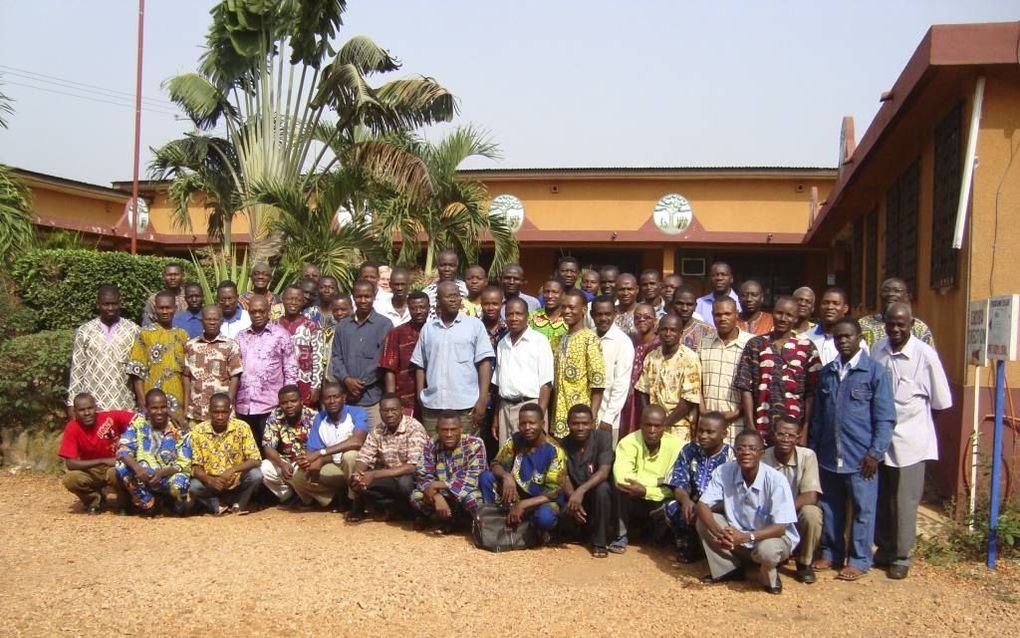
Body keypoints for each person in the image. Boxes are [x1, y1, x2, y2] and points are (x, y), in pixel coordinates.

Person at [810, 317, 896, 581]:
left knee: (863, 508)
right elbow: (818, 417)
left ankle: (859, 559)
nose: (843, 341)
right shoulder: (827, 373)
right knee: (830, 506)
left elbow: (885, 418)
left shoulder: (874, 372)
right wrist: (814, 448)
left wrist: (875, 452)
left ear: (860, 338)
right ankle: (831, 552)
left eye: (848, 336)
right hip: (827, 454)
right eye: (838, 337)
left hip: (861, 457)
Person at [872, 302, 952, 579]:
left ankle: (903, 556)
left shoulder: (925, 354)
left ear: (910, 324)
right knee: (883, 498)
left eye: (901, 324)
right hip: (882, 440)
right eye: (891, 323)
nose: (895, 329)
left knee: (905, 502)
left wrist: (921, 431)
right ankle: (884, 549)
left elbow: (941, 403)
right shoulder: (878, 349)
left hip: (912, 442)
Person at [695, 430, 799, 594]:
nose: (746, 453)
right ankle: (729, 570)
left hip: (770, 537)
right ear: (735, 452)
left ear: (761, 453)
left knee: (767, 551)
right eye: (741, 448)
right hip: (737, 536)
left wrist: (745, 537)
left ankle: (769, 576)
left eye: (752, 448)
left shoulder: (776, 480)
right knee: (704, 520)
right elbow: (702, 505)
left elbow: (780, 528)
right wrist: (720, 533)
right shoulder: (724, 471)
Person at [412, 281, 495, 437]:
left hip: (465, 407)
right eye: (449, 296)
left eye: (456, 296)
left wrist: (482, 399)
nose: (454, 300)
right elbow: (420, 365)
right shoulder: (428, 329)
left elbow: (484, 363)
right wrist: (420, 396)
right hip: (433, 407)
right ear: (438, 300)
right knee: (434, 453)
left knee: (466, 454)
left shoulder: (475, 325)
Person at [734, 296, 821, 439]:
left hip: (793, 432)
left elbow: (811, 393)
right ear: (772, 313)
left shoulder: (807, 348)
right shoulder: (755, 344)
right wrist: (750, 425)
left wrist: (805, 429)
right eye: (779, 313)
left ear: (796, 318)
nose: (783, 318)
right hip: (761, 427)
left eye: (789, 315)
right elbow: (745, 388)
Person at [480, 403, 566, 536]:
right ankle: (493, 520)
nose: (527, 428)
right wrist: (506, 476)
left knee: (545, 518)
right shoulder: (515, 440)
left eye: (532, 423)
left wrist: (523, 505)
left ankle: (538, 531)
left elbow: (553, 492)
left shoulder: (554, 451)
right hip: (517, 493)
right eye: (523, 423)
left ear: (542, 424)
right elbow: (496, 464)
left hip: (541, 499)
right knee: (486, 477)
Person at [610, 405, 682, 553]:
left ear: (664, 426)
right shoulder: (628, 442)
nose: (652, 430)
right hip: (632, 497)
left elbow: (674, 483)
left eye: (657, 426)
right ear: (641, 424)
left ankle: (658, 537)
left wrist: (646, 491)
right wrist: (658, 481)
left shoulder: (676, 446)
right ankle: (620, 536)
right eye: (648, 425)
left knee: (677, 501)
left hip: (659, 499)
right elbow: (623, 479)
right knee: (619, 490)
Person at [663, 412, 735, 562]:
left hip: (719, 508)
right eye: (700, 431)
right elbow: (678, 482)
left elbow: (733, 497)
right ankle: (688, 546)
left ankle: (720, 554)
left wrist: (705, 509)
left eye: (710, 432)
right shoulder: (689, 449)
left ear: (724, 433)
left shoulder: (731, 457)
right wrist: (686, 501)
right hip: (693, 504)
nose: (703, 435)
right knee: (672, 507)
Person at [348, 393, 429, 521]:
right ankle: (393, 508)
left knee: (404, 483)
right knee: (359, 480)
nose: (389, 414)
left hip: (412, 477)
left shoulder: (414, 428)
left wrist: (374, 474)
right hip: (388, 477)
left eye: (393, 410)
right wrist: (358, 475)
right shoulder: (378, 430)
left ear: (402, 410)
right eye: (385, 411)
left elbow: (413, 466)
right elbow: (364, 457)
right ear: (380, 412)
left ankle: (411, 512)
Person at [762, 416, 824, 584]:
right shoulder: (762, 458)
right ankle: (771, 558)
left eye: (791, 435)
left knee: (812, 513)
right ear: (773, 436)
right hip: (769, 513)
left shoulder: (808, 456)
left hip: (794, 511)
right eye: (781, 434)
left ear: (798, 438)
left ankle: (804, 563)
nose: (785, 439)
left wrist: (784, 511)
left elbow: (811, 495)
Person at [290, 381, 370, 510]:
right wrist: (315, 460)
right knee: (299, 476)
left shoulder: (357, 412)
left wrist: (321, 454)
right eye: (327, 398)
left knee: (350, 456)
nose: (332, 401)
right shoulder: (320, 418)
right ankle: (334, 500)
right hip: (334, 466)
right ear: (322, 401)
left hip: (359, 469)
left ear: (344, 397)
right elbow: (313, 451)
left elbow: (357, 441)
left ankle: (356, 502)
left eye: (336, 397)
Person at [115, 389, 192, 515]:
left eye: (163, 407)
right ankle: (148, 502)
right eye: (154, 408)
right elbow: (123, 449)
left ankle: (172, 502)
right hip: (144, 475)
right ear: (146, 408)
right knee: (121, 466)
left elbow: (185, 462)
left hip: (168, 475)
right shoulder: (139, 424)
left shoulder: (178, 427)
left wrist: (162, 473)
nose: (159, 412)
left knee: (180, 483)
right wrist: (137, 468)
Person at [235, 296, 298, 447]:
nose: (257, 315)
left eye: (261, 311)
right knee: (248, 451)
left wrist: (287, 400)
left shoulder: (281, 335)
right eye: (253, 312)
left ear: (269, 311)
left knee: (270, 450)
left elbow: (290, 368)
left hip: (270, 405)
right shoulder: (240, 336)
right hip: (244, 405)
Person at [331, 279, 394, 429]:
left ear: (374, 296)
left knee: (375, 443)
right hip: (347, 399)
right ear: (353, 297)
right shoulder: (343, 326)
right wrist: (347, 380)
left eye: (367, 296)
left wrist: (358, 385)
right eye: (359, 296)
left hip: (372, 398)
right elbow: (336, 357)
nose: (363, 300)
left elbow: (382, 360)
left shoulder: (384, 325)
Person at [67, 285, 140, 415]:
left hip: (124, 404)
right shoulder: (85, 331)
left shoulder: (133, 330)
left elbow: (139, 371)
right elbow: (77, 370)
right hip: (92, 408)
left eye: (114, 304)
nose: (110, 308)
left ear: (120, 304)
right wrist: (72, 404)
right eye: (106, 304)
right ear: (98, 305)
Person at [410, 411, 487, 530]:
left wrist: (437, 485)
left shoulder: (475, 444)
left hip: (466, 491)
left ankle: (461, 523)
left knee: (473, 500)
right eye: (444, 430)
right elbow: (422, 474)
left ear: (461, 429)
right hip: (441, 493)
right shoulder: (432, 444)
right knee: (416, 496)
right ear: (437, 430)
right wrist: (436, 496)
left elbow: (472, 478)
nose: (449, 434)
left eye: (453, 429)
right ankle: (448, 521)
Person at [189, 393, 263, 515]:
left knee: (256, 475)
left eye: (223, 412)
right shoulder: (198, 431)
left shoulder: (242, 427)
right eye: (216, 412)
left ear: (230, 411)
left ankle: (238, 506)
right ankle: (216, 506)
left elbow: (255, 459)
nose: (219, 416)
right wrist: (209, 480)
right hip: (212, 483)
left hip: (236, 481)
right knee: (193, 486)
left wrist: (232, 470)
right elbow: (195, 466)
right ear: (209, 412)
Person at [493, 297, 554, 443]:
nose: (514, 318)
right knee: (506, 458)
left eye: (518, 314)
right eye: (509, 314)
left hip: (529, 408)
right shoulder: (502, 343)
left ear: (527, 316)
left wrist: (539, 416)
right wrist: (496, 417)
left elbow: (546, 383)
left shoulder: (539, 341)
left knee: (529, 457)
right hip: (505, 408)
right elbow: (499, 383)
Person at [59, 393, 132, 513]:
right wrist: (101, 460)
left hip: (113, 466)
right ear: (75, 412)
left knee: (117, 473)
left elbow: (139, 419)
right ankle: (94, 501)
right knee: (71, 479)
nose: (87, 413)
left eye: (90, 408)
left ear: (96, 408)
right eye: (82, 410)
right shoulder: (72, 428)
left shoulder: (111, 417)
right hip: (91, 470)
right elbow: (70, 463)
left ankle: (125, 502)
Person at [559, 404, 615, 557]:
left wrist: (581, 491)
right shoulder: (562, 445)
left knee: (602, 488)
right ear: (568, 424)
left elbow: (603, 472)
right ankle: (578, 534)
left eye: (585, 423)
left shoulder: (603, 438)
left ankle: (600, 543)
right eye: (575, 423)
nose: (580, 427)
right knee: (556, 513)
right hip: (575, 498)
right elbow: (563, 475)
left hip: (596, 496)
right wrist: (573, 497)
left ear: (592, 423)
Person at [635, 315, 701, 444]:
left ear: (680, 333)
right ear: (658, 331)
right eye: (664, 329)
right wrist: (650, 419)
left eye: (673, 330)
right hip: (653, 427)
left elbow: (689, 400)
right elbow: (643, 390)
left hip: (680, 427)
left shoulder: (690, 359)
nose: (668, 333)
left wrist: (663, 424)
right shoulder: (652, 356)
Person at [550, 290, 606, 438]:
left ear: (584, 310)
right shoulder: (559, 339)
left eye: (572, 307)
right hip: (559, 417)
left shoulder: (590, 339)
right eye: (564, 307)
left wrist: (591, 418)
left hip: (580, 419)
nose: (566, 311)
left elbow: (598, 384)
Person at [699, 298, 753, 444]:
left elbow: (754, 387)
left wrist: (736, 412)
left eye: (727, 314)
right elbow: (696, 383)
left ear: (737, 315)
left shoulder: (752, 344)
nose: (722, 318)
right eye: (718, 314)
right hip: (708, 426)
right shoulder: (703, 343)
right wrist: (704, 412)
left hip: (738, 425)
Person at [127, 290, 189, 414]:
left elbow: (186, 375)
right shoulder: (144, 334)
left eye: (168, 308)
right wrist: (142, 401)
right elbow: (138, 371)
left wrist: (186, 406)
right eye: (161, 308)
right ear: (155, 308)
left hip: (177, 401)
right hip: (152, 402)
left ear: (175, 309)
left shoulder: (183, 335)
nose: (165, 312)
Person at [183, 304, 243, 425]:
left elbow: (235, 377)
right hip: (196, 413)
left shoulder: (230, 346)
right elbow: (186, 377)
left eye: (215, 319)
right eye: (208, 319)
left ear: (221, 321)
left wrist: (229, 405)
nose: (212, 323)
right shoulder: (191, 346)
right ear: (202, 321)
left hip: (222, 414)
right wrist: (185, 407)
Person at [260, 385, 317, 504]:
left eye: (293, 401)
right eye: (284, 402)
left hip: (306, 461)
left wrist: (305, 461)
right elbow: (268, 447)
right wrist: (282, 464)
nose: (289, 405)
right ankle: (289, 496)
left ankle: (307, 499)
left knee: (303, 471)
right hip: (286, 461)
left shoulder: (313, 417)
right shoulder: (275, 415)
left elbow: (319, 447)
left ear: (301, 401)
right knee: (264, 467)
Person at [591, 296, 635, 440]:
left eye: (607, 314)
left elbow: (621, 384)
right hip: (583, 418)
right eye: (599, 314)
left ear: (615, 314)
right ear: (592, 315)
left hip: (608, 418)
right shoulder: (587, 336)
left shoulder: (623, 342)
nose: (603, 318)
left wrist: (608, 418)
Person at [380, 291, 429, 417]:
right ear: (409, 309)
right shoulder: (397, 333)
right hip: (405, 399)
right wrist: (392, 400)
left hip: (432, 398)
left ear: (429, 308)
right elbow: (389, 368)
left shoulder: (436, 331)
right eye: (414, 308)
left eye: (422, 307)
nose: (418, 311)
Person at [278, 285, 325, 407]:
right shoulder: (274, 326)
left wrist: (316, 386)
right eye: (289, 298)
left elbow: (318, 358)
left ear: (303, 302)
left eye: (298, 300)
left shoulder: (312, 326)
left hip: (305, 382)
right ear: (282, 299)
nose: (293, 303)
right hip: (279, 383)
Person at [620, 303, 660, 438]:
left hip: (649, 399)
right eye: (638, 317)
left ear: (655, 321)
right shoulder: (628, 342)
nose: (642, 320)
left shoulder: (659, 345)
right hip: (628, 400)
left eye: (647, 317)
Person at [859, 277, 935, 348]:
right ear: (879, 295)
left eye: (897, 291)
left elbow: (928, 356)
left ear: (906, 296)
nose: (890, 294)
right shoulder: (863, 324)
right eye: (886, 290)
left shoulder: (918, 327)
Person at [805, 287, 867, 365]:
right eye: (825, 303)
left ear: (845, 308)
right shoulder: (807, 337)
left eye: (835, 303)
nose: (829, 307)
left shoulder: (856, 341)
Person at [422, 249, 469, 317]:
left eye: (451, 265)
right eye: (443, 265)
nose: (447, 269)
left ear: (457, 266)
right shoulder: (427, 292)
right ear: (437, 266)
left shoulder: (466, 290)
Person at [695, 262, 742, 327]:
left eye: (723, 274)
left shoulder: (741, 303)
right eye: (715, 275)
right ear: (710, 279)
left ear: (731, 279)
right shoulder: (699, 304)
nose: (719, 278)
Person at [673, 284, 716, 351]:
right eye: (680, 303)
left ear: (695, 306)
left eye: (689, 304)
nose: (684, 308)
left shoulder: (708, 331)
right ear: (673, 304)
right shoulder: (661, 327)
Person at [322, 297, 353, 381]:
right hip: (331, 381)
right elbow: (325, 360)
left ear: (351, 308)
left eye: (343, 309)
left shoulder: (358, 330)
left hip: (352, 381)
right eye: (335, 310)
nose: (339, 313)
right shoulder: (328, 332)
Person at [612, 273, 639, 337]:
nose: (625, 293)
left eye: (629, 289)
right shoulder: (610, 313)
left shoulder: (645, 313)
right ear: (615, 291)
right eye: (621, 289)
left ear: (637, 289)